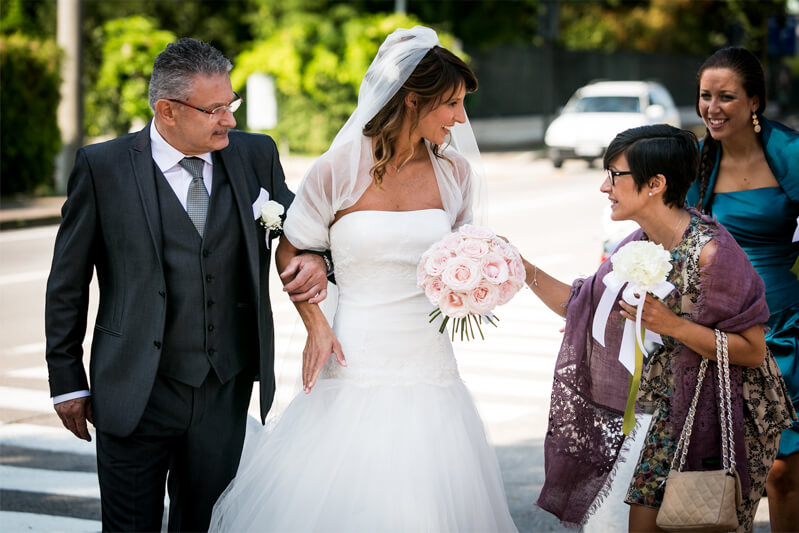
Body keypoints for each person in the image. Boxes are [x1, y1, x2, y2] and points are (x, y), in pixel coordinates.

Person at [209, 26, 518, 532]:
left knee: (426, 501)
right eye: (453, 104)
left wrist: (479, 284)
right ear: (413, 101)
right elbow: (291, 248)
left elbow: (467, 248)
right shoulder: (337, 169)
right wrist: (316, 325)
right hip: (353, 354)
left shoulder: (454, 173)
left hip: (429, 359)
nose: (462, 119)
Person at [45, 38, 329, 532]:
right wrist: (66, 377)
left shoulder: (255, 154)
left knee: (206, 524)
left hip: (224, 387)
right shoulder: (104, 166)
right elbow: (68, 280)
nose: (230, 120)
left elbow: (300, 225)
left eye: (231, 104)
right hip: (134, 387)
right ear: (167, 110)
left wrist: (315, 257)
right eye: (215, 109)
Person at [526, 124, 795, 532]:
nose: (604, 187)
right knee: (644, 524)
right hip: (673, 410)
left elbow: (753, 349)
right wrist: (522, 270)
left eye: (615, 175)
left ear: (655, 184)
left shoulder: (712, 252)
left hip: (728, 414)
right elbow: (582, 305)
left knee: (703, 522)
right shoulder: (638, 244)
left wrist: (672, 326)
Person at [686, 46, 799, 532]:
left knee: (783, 467)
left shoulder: (791, 153)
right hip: (725, 331)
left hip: (786, 326)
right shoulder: (699, 163)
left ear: (755, 101)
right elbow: (679, 240)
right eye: (705, 96)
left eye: (726, 96)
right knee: (729, 464)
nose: (712, 107)